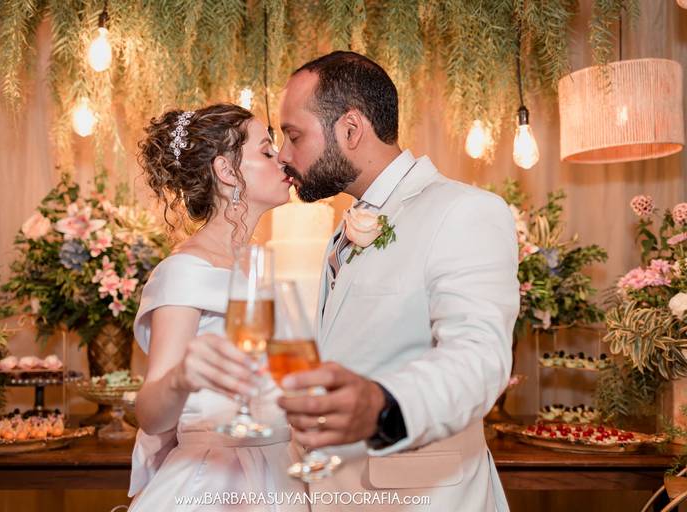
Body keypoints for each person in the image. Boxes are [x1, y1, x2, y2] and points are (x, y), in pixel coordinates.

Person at [276, 51, 518, 511]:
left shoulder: (464, 211)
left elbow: (480, 360)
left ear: (350, 129)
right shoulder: (345, 228)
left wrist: (383, 406)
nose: (285, 156)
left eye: (294, 135)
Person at [128, 104, 306, 511]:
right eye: (266, 150)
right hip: (215, 480)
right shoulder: (185, 270)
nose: (282, 159)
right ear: (226, 171)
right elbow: (151, 416)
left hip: (281, 472)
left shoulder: (258, 266)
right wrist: (181, 378)